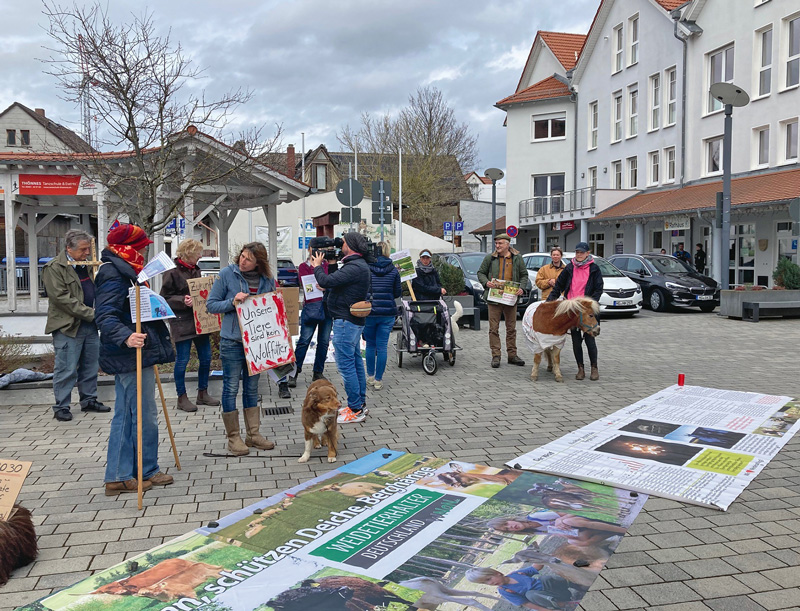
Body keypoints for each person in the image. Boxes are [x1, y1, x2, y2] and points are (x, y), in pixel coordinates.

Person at [95, 224, 175, 495]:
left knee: (141, 413)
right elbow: (105, 315)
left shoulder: (127, 270)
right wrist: (127, 336)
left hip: (138, 351)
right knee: (133, 414)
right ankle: (121, 474)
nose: (143, 250)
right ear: (127, 247)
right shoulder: (112, 272)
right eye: (140, 246)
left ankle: (140, 468)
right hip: (128, 353)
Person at [206, 242, 279, 456]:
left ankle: (253, 434)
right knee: (230, 388)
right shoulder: (227, 274)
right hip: (232, 340)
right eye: (242, 256)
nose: (242, 261)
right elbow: (211, 305)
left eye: (249, 259)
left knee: (252, 388)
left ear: (259, 263)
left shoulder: (267, 279)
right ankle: (233, 437)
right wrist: (232, 301)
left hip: (256, 342)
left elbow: (272, 309)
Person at [42, 228, 108, 422]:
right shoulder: (54, 267)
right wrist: (93, 314)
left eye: (88, 249)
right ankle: (61, 406)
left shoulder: (86, 265)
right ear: (69, 249)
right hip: (68, 326)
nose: (87, 253)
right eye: (83, 249)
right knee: (66, 368)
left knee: (90, 365)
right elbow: (62, 299)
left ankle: (88, 400)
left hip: (89, 325)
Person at [311, 232, 371, 424]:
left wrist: (317, 267)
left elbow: (326, 281)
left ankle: (355, 408)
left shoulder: (355, 267)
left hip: (345, 321)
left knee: (346, 366)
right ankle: (359, 404)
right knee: (354, 362)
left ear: (351, 245)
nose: (340, 244)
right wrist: (333, 263)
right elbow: (337, 281)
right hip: (351, 321)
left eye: (343, 243)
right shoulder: (357, 266)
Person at [160, 238, 219, 413]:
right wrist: (181, 300)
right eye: (198, 253)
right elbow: (164, 298)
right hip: (181, 321)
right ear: (188, 253)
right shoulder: (172, 271)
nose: (200, 256)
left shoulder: (196, 270)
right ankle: (181, 397)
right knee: (183, 360)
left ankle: (203, 392)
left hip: (199, 320)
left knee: (206, 357)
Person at [546, 242, 603, 381]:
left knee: (590, 340)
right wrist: (548, 302)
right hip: (572, 310)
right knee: (576, 342)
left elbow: (598, 288)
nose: (579, 255)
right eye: (577, 252)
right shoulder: (570, 267)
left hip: (588, 308)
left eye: (582, 252)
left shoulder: (594, 269)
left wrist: (590, 304)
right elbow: (558, 286)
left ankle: (594, 368)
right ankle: (580, 368)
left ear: (587, 253)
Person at [477, 233, 530, 369]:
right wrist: (486, 282)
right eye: (496, 243)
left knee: (511, 328)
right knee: (493, 328)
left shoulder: (517, 258)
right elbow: (480, 273)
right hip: (494, 298)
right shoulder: (490, 258)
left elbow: (524, 275)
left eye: (500, 243)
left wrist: (522, 288)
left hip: (510, 298)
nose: (497, 246)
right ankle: (496, 355)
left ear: (507, 244)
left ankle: (512, 355)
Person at [289, 241, 333, 387]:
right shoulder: (303, 266)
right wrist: (318, 272)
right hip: (311, 306)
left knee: (324, 341)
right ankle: (294, 371)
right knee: (304, 340)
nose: (318, 252)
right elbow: (305, 282)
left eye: (321, 249)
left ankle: (318, 371)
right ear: (309, 250)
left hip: (326, 306)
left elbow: (332, 283)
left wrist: (326, 287)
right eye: (315, 249)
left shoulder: (328, 265)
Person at [363, 241, 401, 390]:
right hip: (387, 313)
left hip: (370, 312)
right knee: (382, 347)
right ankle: (379, 380)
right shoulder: (393, 270)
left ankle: (370, 377)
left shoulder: (367, 268)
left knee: (371, 346)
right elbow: (398, 293)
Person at [465, 566, 576, 610]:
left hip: (560, 590)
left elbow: (535, 567)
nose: (489, 583)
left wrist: (538, 556)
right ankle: (566, 604)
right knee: (530, 594)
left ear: (496, 572)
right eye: (484, 583)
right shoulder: (504, 590)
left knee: (546, 578)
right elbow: (526, 603)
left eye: (488, 579)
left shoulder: (517, 573)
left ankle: (577, 585)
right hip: (552, 601)